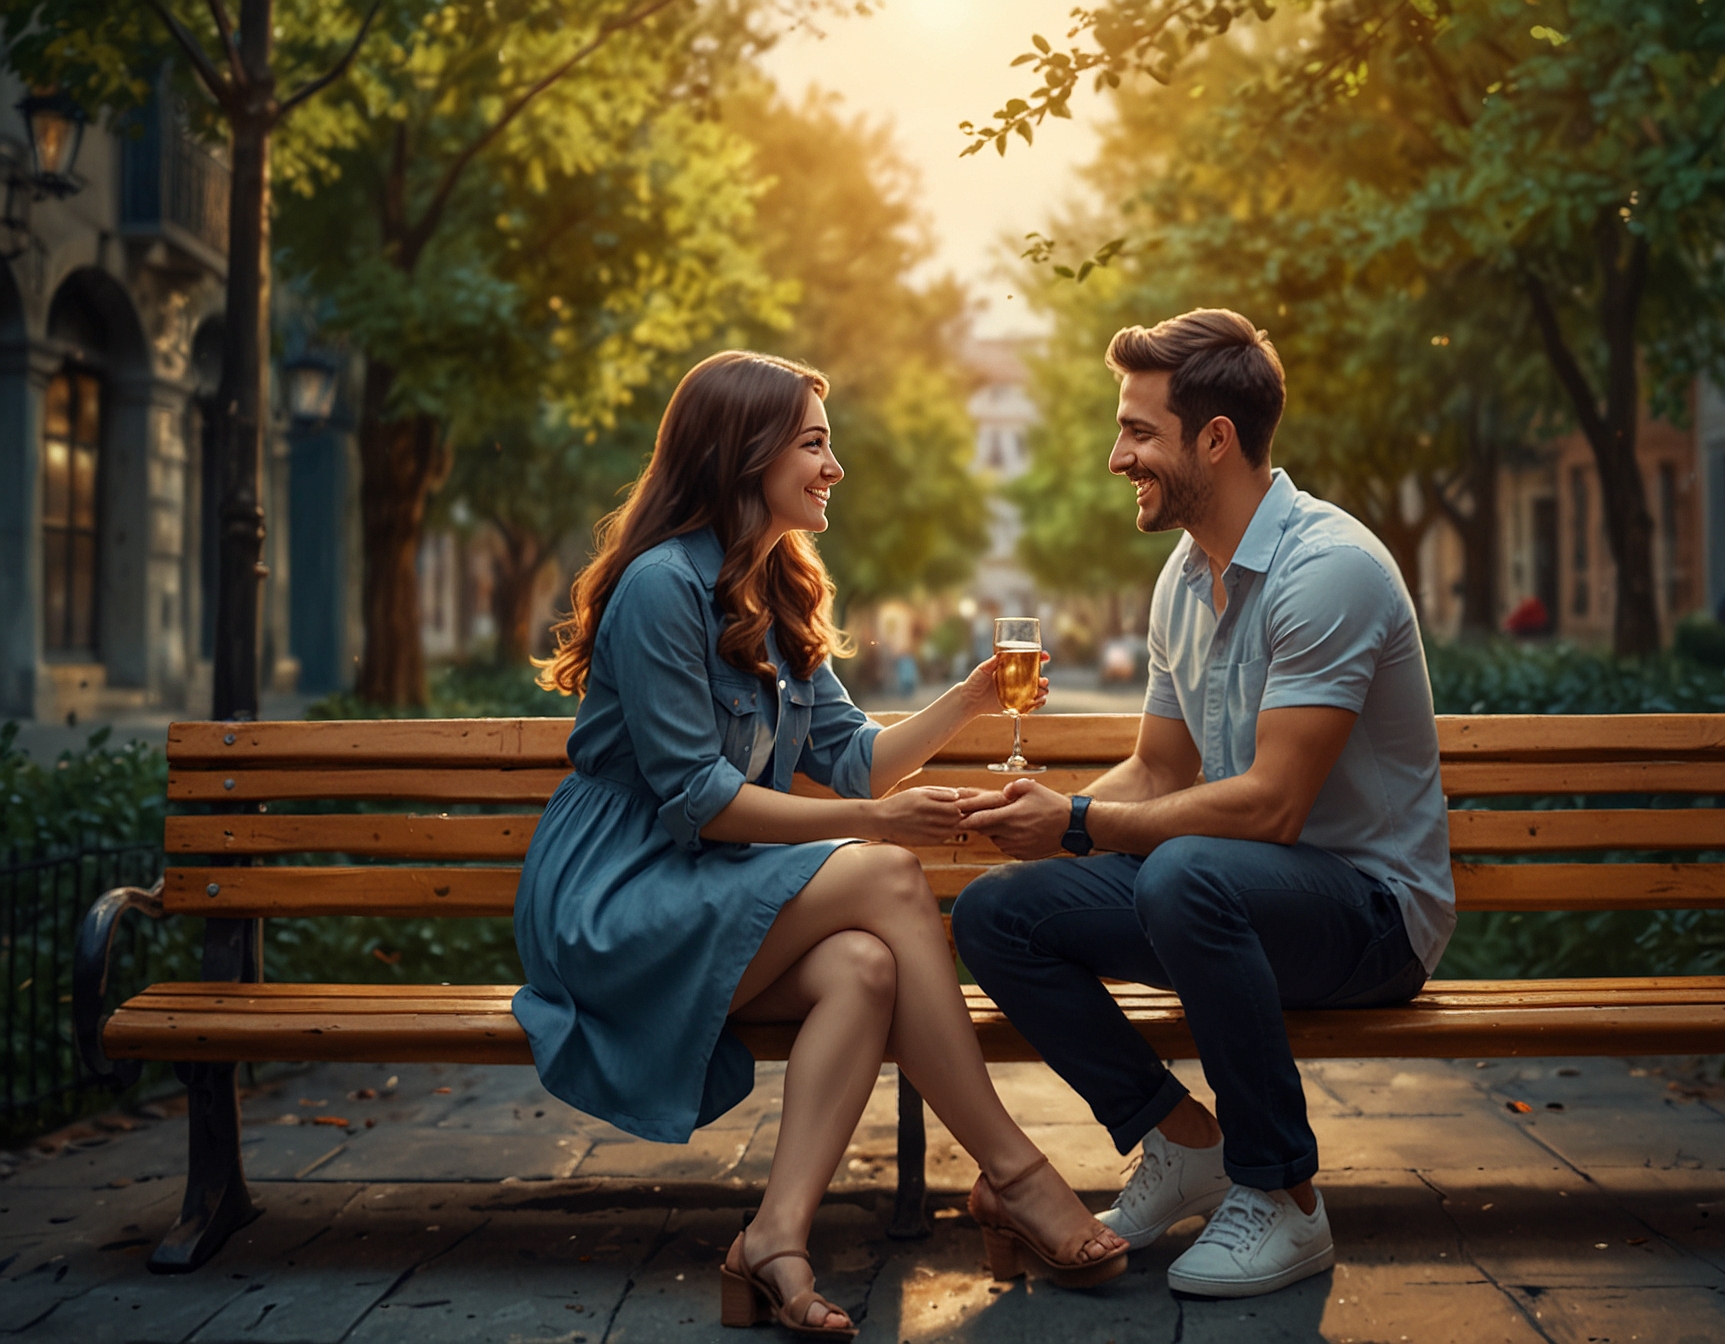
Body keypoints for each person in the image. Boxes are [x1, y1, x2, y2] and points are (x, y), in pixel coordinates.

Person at [514, 351, 1127, 1341]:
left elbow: (854, 762)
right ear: (741, 453)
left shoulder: (781, 586)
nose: (834, 465)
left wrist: (969, 699)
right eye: (812, 443)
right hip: (616, 899)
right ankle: (1015, 1175)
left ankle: (774, 1240)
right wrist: (879, 825)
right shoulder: (661, 589)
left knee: (861, 968)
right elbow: (704, 803)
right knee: (884, 870)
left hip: (704, 892)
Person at [951, 309, 1455, 1300]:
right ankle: (1181, 1141)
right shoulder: (1184, 578)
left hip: (1369, 916)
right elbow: (1156, 768)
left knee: (1187, 874)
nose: (1115, 456)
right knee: (998, 912)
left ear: (1213, 440)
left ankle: (1283, 1196)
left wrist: (1083, 827)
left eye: (1139, 431)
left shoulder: (1327, 569)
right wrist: (1044, 817)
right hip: (1227, 901)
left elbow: (1269, 806)